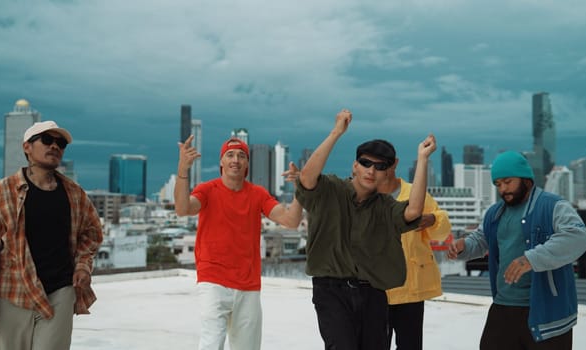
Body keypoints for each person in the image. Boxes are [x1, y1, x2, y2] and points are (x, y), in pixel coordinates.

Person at [295, 109, 437, 350]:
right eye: (365, 163)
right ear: (355, 166)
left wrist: (422, 159)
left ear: (388, 172)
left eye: (380, 166)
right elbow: (307, 178)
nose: (371, 170)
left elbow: (413, 212)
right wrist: (336, 132)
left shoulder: (385, 206)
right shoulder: (330, 189)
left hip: (373, 293)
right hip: (331, 291)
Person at [447, 151, 586, 350]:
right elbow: (480, 240)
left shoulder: (553, 206)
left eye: (508, 181)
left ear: (526, 179)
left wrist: (531, 259)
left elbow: (578, 237)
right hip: (503, 307)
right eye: (498, 184)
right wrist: (464, 246)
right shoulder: (494, 213)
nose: (503, 189)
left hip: (547, 313)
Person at [174, 135, 303, 350]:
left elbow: (291, 221)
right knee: (211, 343)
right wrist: (183, 169)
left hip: (248, 284)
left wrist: (301, 189)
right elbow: (183, 208)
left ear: (247, 165)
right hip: (213, 280)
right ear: (221, 163)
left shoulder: (258, 194)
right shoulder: (207, 190)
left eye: (242, 156)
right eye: (230, 155)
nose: (236, 159)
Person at [0, 120, 103, 350]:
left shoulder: (74, 193)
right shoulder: (2, 192)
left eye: (60, 143)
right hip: (13, 291)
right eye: (46, 140)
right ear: (27, 147)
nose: (55, 146)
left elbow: (91, 232)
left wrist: (83, 265)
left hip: (60, 291)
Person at [377, 148, 451, 350]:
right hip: (374, 289)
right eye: (370, 165)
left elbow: (441, 233)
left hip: (410, 288)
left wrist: (433, 219)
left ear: (394, 164)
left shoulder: (415, 193)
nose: (375, 170)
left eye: (381, 164)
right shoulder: (363, 195)